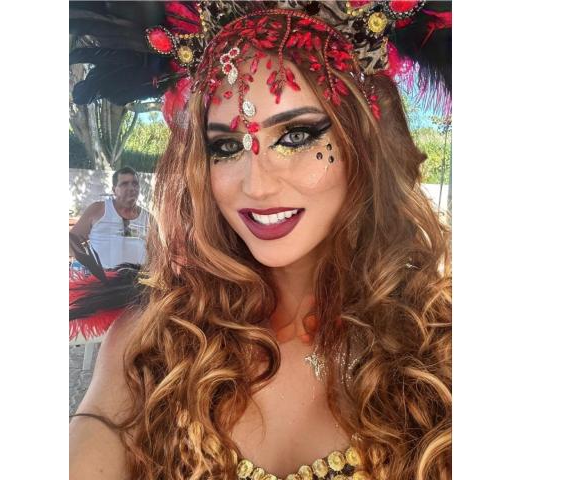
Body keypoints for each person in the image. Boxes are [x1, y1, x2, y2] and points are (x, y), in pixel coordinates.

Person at [69, 2, 452, 479]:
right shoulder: (148, 346)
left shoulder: (443, 349)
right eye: (226, 147)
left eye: (295, 136)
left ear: (364, 142)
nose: (256, 185)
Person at [70, 166, 150, 269]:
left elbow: (159, 253)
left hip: (137, 277)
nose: (131, 188)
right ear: (114, 190)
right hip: (100, 277)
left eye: (135, 184)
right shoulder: (98, 210)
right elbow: (71, 240)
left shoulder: (148, 219)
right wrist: (88, 263)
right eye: (124, 184)